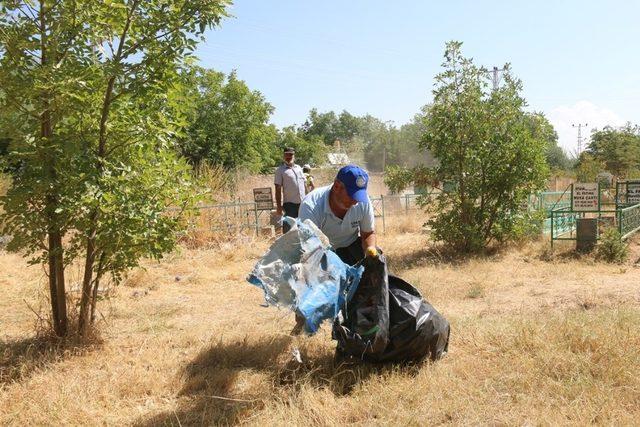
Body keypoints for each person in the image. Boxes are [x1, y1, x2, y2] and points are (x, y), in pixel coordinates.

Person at [290, 164, 378, 335]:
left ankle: (358, 326)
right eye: (351, 196)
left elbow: (368, 233)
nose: (355, 202)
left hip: (349, 244)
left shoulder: (362, 202)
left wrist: (370, 250)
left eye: (358, 196)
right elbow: (310, 249)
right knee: (310, 291)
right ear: (337, 186)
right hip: (316, 250)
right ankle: (302, 325)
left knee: (370, 277)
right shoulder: (311, 205)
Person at [274, 147, 306, 234]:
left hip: (303, 204)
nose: (289, 156)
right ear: (284, 156)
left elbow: (304, 185)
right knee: (289, 231)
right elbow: (277, 189)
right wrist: (279, 207)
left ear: (294, 155)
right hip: (289, 205)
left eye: (291, 154)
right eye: (287, 154)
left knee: (303, 229)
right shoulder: (280, 171)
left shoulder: (299, 168)